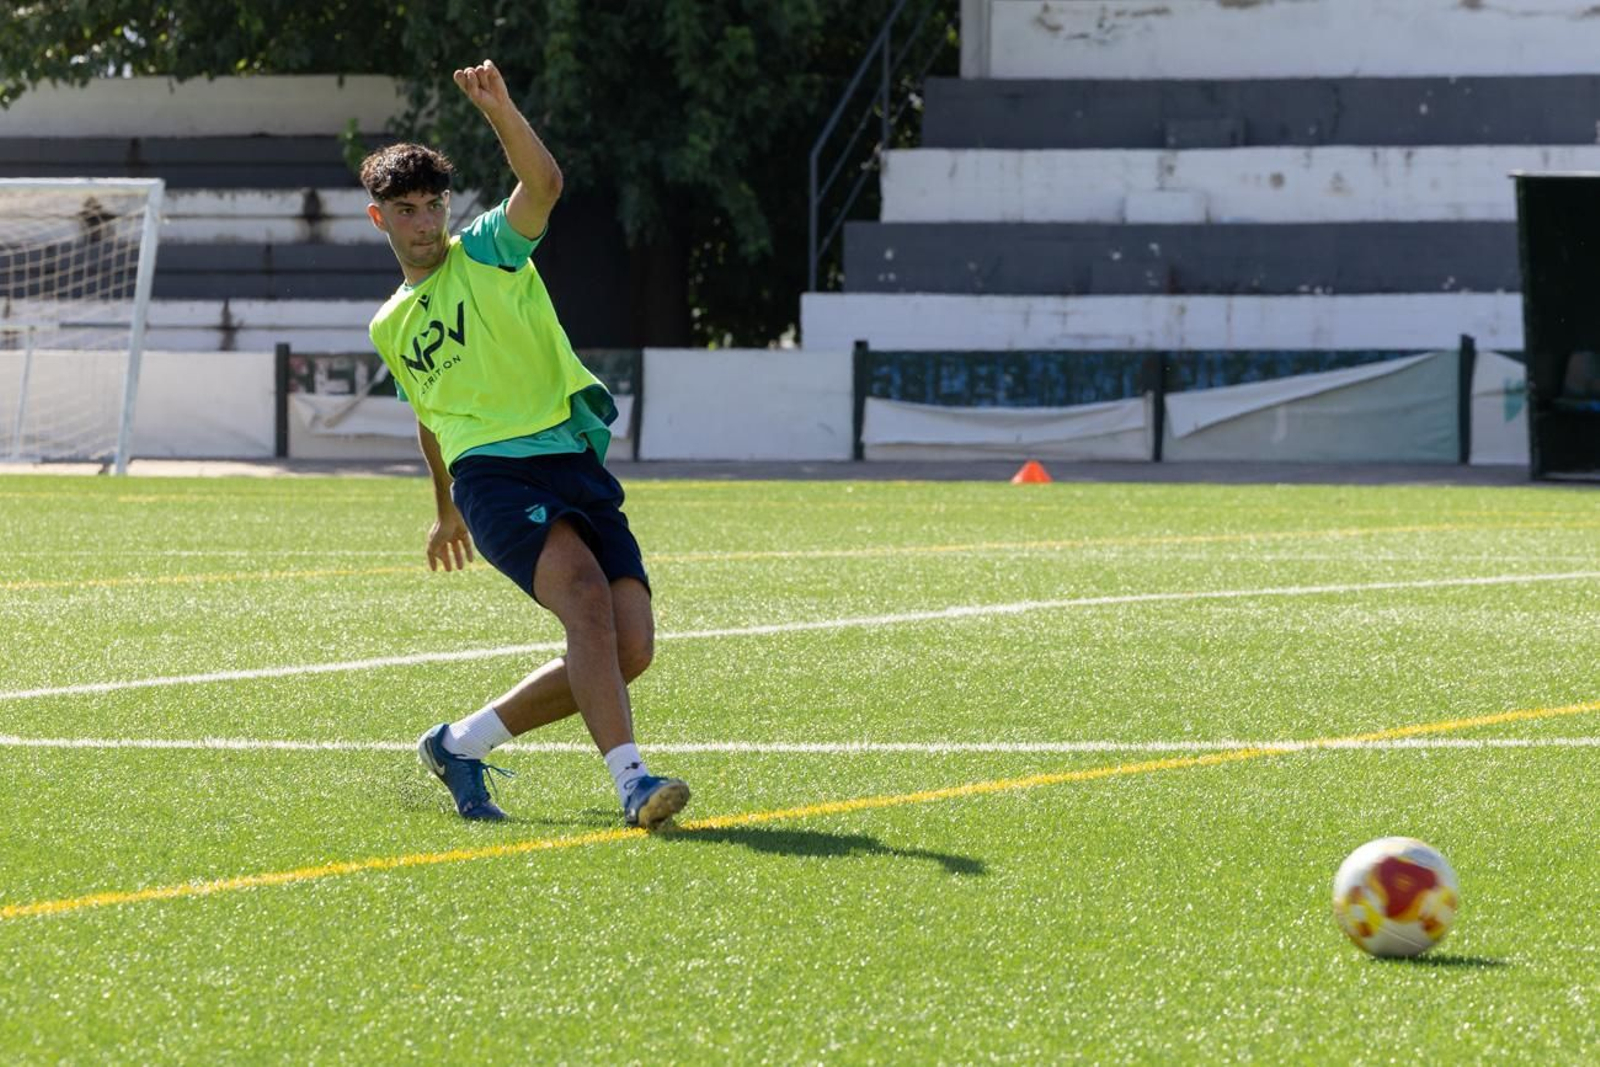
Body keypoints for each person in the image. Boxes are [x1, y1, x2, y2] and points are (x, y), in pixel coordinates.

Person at [360, 60, 689, 830]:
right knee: (583, 601)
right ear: (380, 219)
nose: (424, 222)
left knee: (628, 643)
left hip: (570, 460)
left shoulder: (487, 252)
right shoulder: (389, 323)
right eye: (405, 209)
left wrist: (501, 110)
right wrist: (447, 511)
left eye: (433, 204)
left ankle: (458, 743)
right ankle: (634, 782)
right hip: (492, 476)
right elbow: (428, 412)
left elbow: (542, 186)